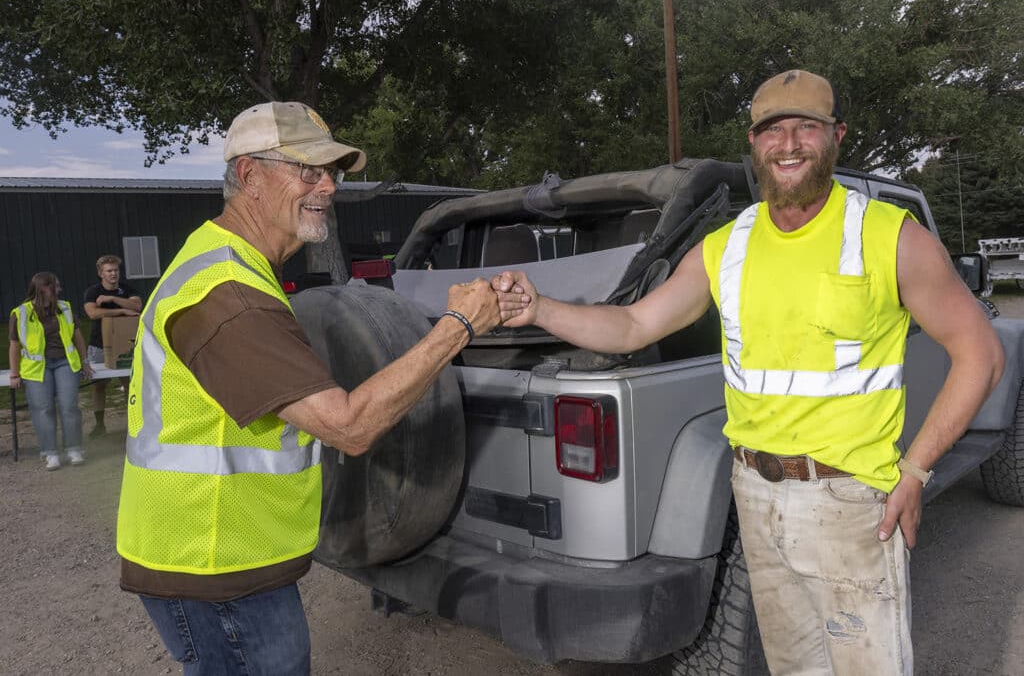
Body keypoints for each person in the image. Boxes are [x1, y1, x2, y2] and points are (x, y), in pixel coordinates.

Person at [494, 70, 1004, 674]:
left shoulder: (891, 237)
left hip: (852, 504)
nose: (788, 144)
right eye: (772, 130)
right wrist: (540, 308)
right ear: (754, 143)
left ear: (836, 136)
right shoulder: (724, 246)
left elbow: (982, 354)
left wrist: (916, 472)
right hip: (755, 499)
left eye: (806, 127)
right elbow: (631, 327)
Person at [115, 101, 500, 675]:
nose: (327, 187)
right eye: (308, 171)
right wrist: (458, 327)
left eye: (332, 173)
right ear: (249, 176)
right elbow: (347, 425)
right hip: (214, 565)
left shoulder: (235, 267)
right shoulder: (227, 294)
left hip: (226, 558)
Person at [8, 272, 93, 470]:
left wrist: (85, 362)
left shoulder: (65, 308)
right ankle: (50, 453)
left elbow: (77, 337)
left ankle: (74, 449)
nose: (59, 289)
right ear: (42, 289)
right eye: (56, 286)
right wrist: (14, 373)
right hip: (36, 368)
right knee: (43, 409)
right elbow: (14, 346)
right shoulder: (19, 313)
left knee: (69, 406)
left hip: (64, 363)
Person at [83, 254, 142, 436]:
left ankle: (133, 423)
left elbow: (137, 306)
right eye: (109, 271)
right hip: (98, 345)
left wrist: (114, 300)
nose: (113, 274)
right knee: (99, 385)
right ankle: (100, 424)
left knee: (128, 382)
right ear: (101, 273)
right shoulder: (92, 292)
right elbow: (92, 313)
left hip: (125, 345)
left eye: (116, 270)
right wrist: (123, 310)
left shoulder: (127, 289)